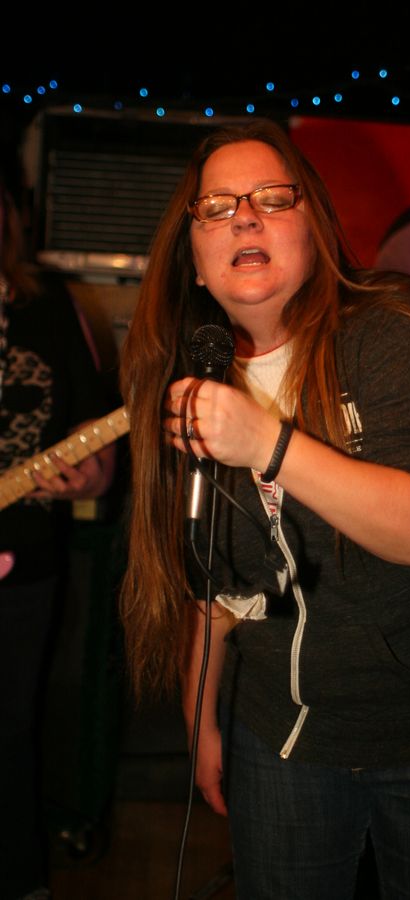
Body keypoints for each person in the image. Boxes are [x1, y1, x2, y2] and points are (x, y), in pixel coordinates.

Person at [119, 119, 410, 899]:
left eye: (273, 198)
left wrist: (266, 443)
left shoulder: (398, 327)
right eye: (218, 207)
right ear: (195, 260)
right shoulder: (192, 380)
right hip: (284, 739)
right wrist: (201, 723)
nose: (245, 217)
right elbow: (216, 586)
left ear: (316, 230)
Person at [0, 175, 115, 900]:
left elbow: (96, 429)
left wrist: (91, 474)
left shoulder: (52, 306)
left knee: (10, 733)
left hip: (24, 565)